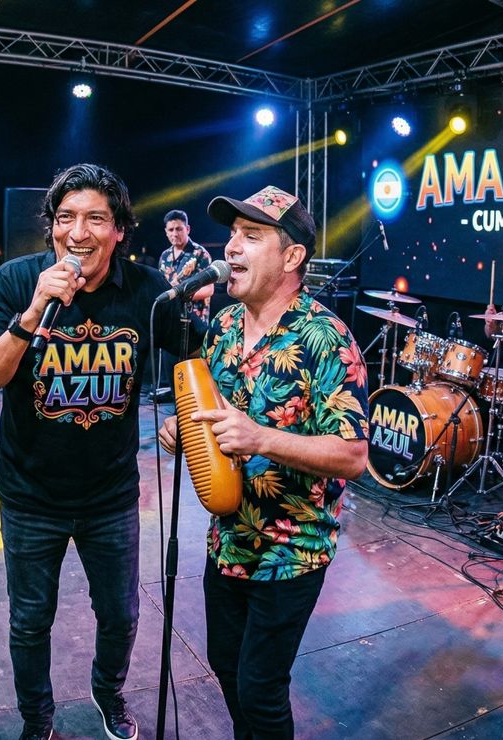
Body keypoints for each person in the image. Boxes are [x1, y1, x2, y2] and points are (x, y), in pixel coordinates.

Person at [0, 164, 197, 740]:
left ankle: (108, 692)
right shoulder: (18, 283)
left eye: (96, 218)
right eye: (66, 218)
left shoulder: (146, 292)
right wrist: (28, 320)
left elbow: (206, 354)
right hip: (30, 497)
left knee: (121, 617)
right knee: (29, 622)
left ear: (120, 229)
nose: (79, 232)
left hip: (112, 498)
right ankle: (37, 720)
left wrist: (187, 414)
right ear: (51, 230)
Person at [158, 185, 369, 739]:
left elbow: (351, 455)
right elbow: (214, 413)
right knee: (227, 671)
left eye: (251, 236)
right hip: (226, 540)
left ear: (292, 257)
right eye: (231, 234)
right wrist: (185, 429)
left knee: (260, 686)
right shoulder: (224, 328)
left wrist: (260, 438)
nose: (231, 247)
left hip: (291, 552)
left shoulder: (327, 337)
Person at [153, 209, 215, 399]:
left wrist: (180, 296)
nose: (175, 234)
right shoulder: (164, 256)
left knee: (194, 382)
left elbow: (209, 289)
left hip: (195, 326)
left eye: (179, 229)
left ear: (187, 228)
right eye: (170, 230)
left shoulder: (200, 254)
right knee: (174, 378)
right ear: (165, 232)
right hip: (172, 324)